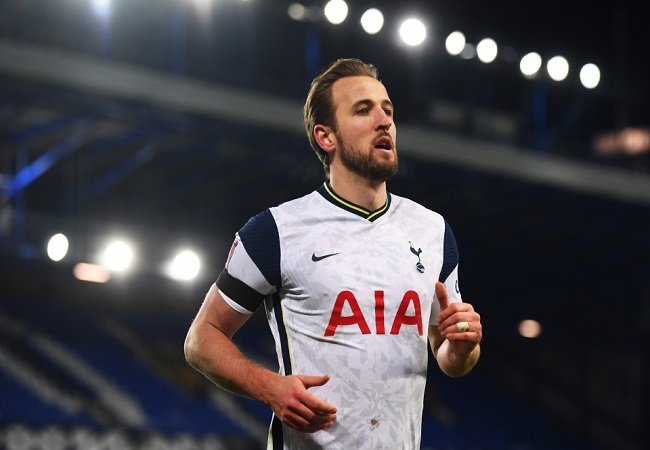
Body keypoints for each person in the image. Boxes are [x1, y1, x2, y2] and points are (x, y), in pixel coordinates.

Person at [184, 58, 482, 449]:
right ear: (326, 137)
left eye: (388, 110)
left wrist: (462, 346)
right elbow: (201, 339)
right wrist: (269, 388)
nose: (384, 121)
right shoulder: (276, 231)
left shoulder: (433, 232)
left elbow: (449, 358)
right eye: (363, 110)